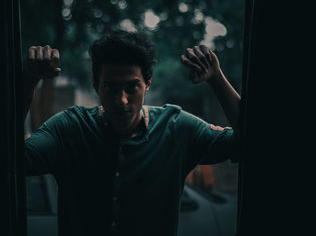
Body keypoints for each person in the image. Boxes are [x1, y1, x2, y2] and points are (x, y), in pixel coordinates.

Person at [23, 30, 241, 236]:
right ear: (95, 85)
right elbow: (16, 159)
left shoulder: (177, 128)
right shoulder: (69, 128)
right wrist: (28, 80)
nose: (122, 100)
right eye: (111, 87)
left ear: (147, 84)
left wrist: (216, 78)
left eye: (132, 87)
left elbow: (246, 143)